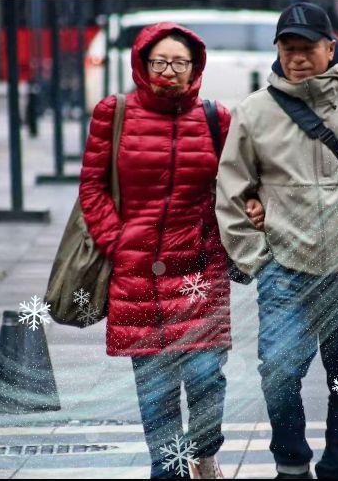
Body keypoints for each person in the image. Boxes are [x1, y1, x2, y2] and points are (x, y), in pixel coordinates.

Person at [215, 2, 338, 479]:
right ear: (278, 51)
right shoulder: (255, 112)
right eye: (289, 48)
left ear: (330, 47)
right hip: (284, 270)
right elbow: (232, 188)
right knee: (278, 373)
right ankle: (291, 461)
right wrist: (258, 259)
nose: (298, 57)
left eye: (308, 48)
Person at [79, 23, 263, 479]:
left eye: (178, 62)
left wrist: (253, 210)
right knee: (155, 387)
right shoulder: (113, 112)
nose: (168, 70)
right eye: (159, 61)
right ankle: (169, 469)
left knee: (205, 375)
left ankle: (204, 453)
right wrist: (118, 244)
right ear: (142, 64)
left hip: (199, 268)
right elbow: (93, 188)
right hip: (138, 271)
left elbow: (240, 181)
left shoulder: (215, 117)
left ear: (194, 67)